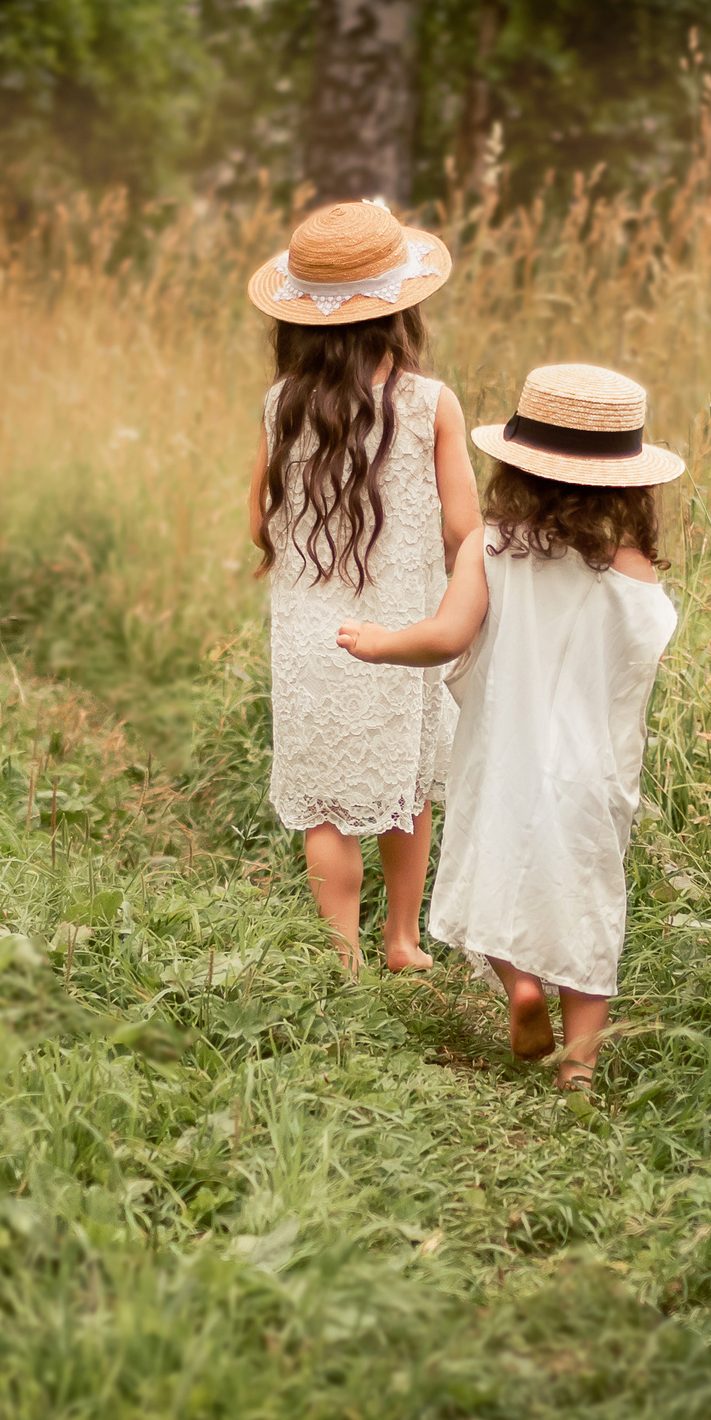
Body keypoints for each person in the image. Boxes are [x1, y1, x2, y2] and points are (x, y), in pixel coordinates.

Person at [337, 364, 684, 1088]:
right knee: (588, 898)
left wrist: (378, 641)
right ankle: (580, 1067)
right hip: (592, 773)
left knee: (493, 872)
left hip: (503, 758)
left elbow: (445, 634)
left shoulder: (491, 546)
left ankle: (521, 987)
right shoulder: (634, 570)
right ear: (630, 483)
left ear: (518, 466)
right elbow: (645, 649)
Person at [246, 200, 480, 974]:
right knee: (406, 785)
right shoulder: (428, 402)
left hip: (314, 638)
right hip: (406, 629)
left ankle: (340, 952)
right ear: (398, 315)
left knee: (326, 805)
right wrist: (469, 603)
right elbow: (463, 529)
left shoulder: (280, 406)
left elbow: (259, 520)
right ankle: (402, 938)